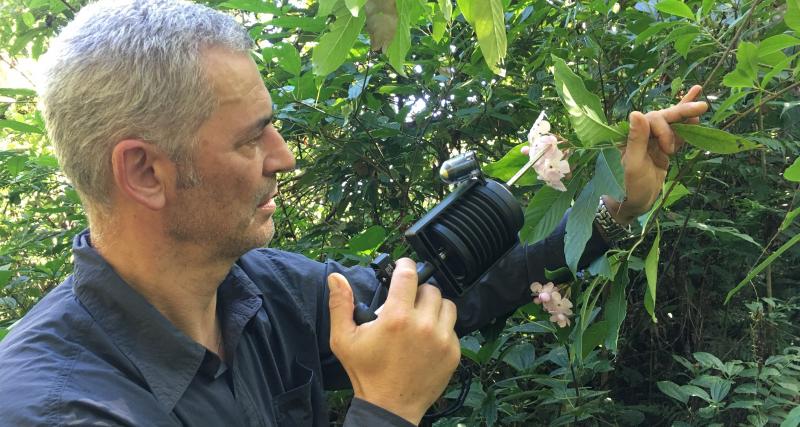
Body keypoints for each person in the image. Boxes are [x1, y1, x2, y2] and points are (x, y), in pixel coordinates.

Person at [0, 0, 708, 426]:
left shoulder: (263, 292)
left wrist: (611, 210)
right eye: (252, 138)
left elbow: (444, 293)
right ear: (145, 171)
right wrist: (386, 411)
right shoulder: (53, 406)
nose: (284, 157)